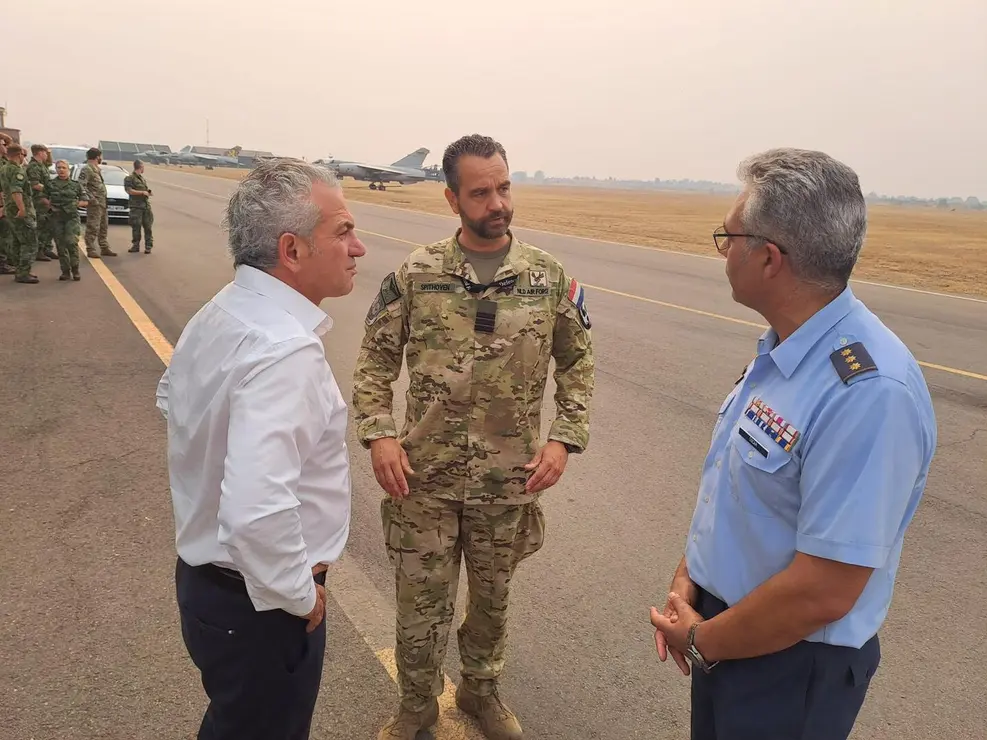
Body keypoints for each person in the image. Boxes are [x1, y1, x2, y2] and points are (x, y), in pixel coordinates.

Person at [649, 147, 938, 740]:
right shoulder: (788, 348)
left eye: (727, 237)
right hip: (733, 635)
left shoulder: (868, 392)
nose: (723, 251)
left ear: (769, 258)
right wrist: (690, 579)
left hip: (788, 667)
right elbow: (740, 495)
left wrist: (701, 640)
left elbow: (821, 592)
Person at [352, 133, 595, 740]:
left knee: (491, 605)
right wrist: (381, 435)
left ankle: (482, 694)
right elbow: (374, 362)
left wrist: (564, 438)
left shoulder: (546, 277)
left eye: (504, 187)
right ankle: (416, 706)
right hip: (422, 478)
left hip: (508, 482)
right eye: (481, 192)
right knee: (419, 608)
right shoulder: (418, 272)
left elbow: (579, 361)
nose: (497, 203)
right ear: (452, 199)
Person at [154, 158, 366, 740]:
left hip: (208, 587)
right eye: (343, 231)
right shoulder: (284, 350)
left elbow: (172, 398)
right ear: (292, 250)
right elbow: (256, 512)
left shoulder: (222, 311)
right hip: (259, 607)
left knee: (234, 721)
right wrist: (300, 596)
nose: (359, 248)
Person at [0, 144, 40, 283]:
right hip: (20, 210)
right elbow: (16, 191)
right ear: (18, 155)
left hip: (10, 209)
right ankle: (23, 272)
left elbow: (3, 191)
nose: (24, 158)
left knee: (17, 241)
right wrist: (22, 209)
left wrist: (5, 207)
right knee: (29, 242)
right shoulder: (18, 171)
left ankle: (19, 270)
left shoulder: (4, 168)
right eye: (24, 155)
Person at [47, 159, 88, 281]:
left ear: (68, 170)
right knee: (60, 245)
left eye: (63, 168)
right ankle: (65, 271)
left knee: (71, 242)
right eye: (59, 168)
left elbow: (85, 201)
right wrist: (50, 205)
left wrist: (75, 204)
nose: (61, 170)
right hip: (57, 218)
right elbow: (43, 198)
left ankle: (75, 269)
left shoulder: (75, 185)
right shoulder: (50, 184)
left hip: (71, 218)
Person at [77, 147, 116, 258]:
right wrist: (91, 198)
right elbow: (81, 185)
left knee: (103, 226)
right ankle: (90, 249)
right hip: (95, 203)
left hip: (102, 203)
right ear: (98, 156)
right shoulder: (87, 169)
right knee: (93, 226)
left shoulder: (96, 169)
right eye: (100, 156)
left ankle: (104, 247)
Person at [26, 144, 57, 261]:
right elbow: (35, 185)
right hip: (38, 201)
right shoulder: (34, 167)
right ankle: (38, 251)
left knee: (47, 226)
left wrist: (49, 153)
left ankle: (45, 248)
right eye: (45, 152)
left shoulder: (41, 165)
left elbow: (49, 162)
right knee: (40, 227)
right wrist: (51, 190)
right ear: (40, 152)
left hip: (44, 200)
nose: (47, 155)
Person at [124, 158, 153, 253]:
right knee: (136, 227)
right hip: (136, 207)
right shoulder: (129, 178)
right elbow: (129, 191)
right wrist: (142, 193)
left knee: (148, 227)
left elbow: (143, 190)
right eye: (143, 166)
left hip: (145, 206)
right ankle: (135, 245)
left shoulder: (142, 178)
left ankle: (148, 246)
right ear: (140, 166)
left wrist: (148, 192)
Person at [0, 132, 14, 275]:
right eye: (3, 144)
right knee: (4, 235)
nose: (6, 146)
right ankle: (2, 264)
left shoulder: (4, 161)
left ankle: (4, 261)